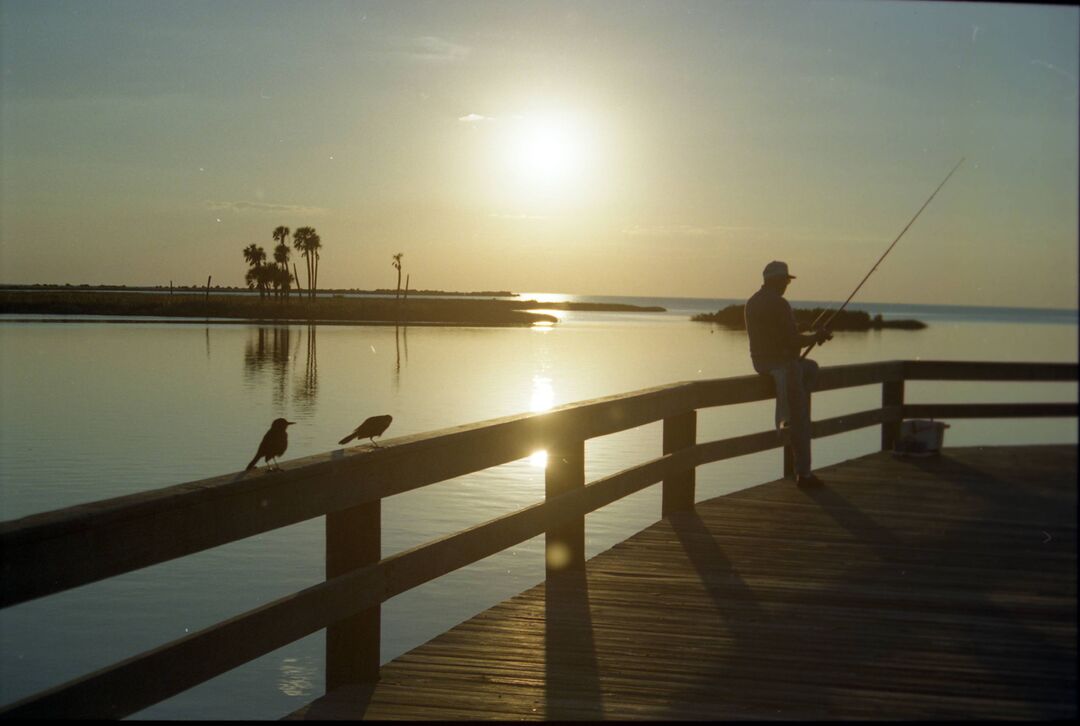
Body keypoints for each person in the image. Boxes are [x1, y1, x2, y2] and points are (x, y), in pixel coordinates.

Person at [744, 260, 832, 486]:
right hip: (783, 365)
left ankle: (799, 397)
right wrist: (816, 337)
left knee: (810, 367)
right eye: (785, 280)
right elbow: (793, 341)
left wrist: (806, 327)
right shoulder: (780, 304)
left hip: (760, 364)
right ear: (777, 280)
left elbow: (778, 330)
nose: (787, 285)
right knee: (800, 419)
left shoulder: (752, 302)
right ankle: (804, 474)